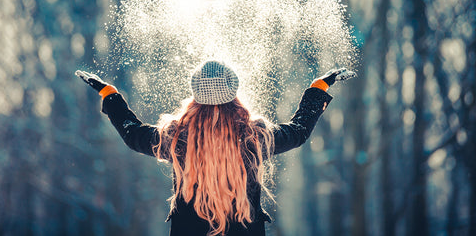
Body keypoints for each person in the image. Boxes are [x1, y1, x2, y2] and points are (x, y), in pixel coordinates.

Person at [76, 61, 355, 236]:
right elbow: (298, 131)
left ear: (195, 94)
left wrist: (109, 94)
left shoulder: (177, 139)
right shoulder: (253, 137)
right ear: (234, 93)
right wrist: (318, 88)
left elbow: (132, 134)